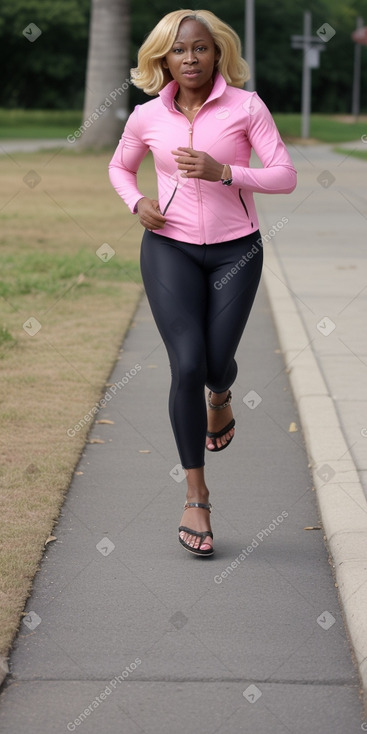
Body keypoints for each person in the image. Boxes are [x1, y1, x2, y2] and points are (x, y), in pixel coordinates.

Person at [108, 9, 297, 557]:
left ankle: (223, 393)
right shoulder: (147, 116)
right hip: (169, 247)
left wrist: (226, 172)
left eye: (201, 49)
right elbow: (121, 168)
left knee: (215, 365)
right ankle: (196, 492)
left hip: (237, 249)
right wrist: (137, 202)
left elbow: (284, 175)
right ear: (163, 57)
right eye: (179, 50)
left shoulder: (246, 106)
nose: (190, 58)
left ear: (218, 54)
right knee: (186, 364)